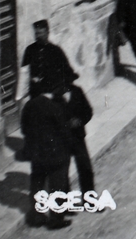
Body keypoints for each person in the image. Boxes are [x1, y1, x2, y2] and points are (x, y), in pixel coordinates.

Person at [21, 83, 74, 228]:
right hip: (56, 154)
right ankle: (56, 219)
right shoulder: (54, 107)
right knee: (57, 185)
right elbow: (65, 130)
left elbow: (24, 129)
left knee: (37, 183)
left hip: (37, 154)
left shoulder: (28, 106)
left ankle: (37, 216)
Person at [21, 20, 76, 99]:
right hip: (36, 94)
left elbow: (68, 73)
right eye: (36, 34)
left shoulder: (56, 51)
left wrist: (60, 92)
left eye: (40, 33)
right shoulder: (29, 50)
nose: (37, 37)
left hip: (52, 94)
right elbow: (24, 72)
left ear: (47, 33)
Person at [58, 79, 95, 194]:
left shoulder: (77, 91)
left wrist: (79, 121)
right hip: (62, 141)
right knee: (62, 173)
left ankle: (89, 200)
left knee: (85, 168)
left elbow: (88, 111)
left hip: (78, 138)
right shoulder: (53, 98)